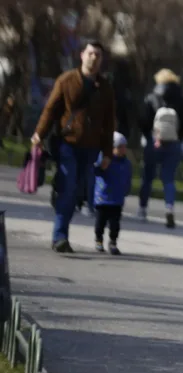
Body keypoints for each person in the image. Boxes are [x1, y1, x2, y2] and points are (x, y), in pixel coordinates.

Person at [31, 41, 116, 253]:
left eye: (98, 55)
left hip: (91, 147)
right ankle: (60, 236)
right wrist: (39, 133)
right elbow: (51, 109)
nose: (94, 58)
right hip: (67, 142)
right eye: (91, 53)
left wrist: (107, 152)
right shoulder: (67, 80)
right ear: (82, 55)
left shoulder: (105, 88)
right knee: (69, 189)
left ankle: (59, 192)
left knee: (77, 192)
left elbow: (109, 122)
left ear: (101, 60)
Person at [137, 68, 183, 229]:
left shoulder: (151, 97)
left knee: (147, 177)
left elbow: (143, 120)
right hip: (173, 144)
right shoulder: (182, 100)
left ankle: (142, 208)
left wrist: (150, 136)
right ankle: (169, 208)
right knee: (168, 179)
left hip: (154, 142)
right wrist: (178, 137)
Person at [93, 132, 132, 255]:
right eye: (119, 147)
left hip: (117, 200)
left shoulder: (126, 164)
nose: (122, 149)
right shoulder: (105, 160)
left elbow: (128, 178)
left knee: (115, 224)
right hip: (103, 199)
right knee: (100, 223)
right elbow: (96, 171)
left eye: (124, 147)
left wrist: (126, 190)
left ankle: (113, 242)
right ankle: (99, 240)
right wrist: (100, 166)